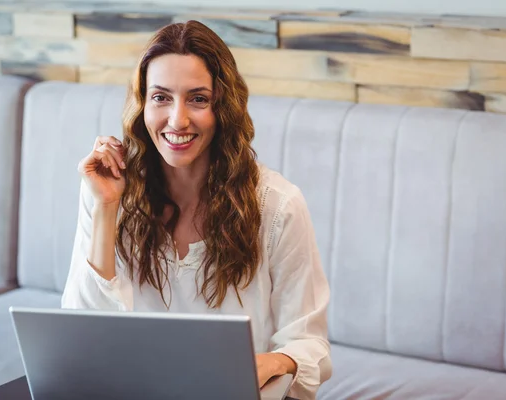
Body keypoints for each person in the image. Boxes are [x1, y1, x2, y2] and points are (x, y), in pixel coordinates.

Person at [62, 20, 331, 399]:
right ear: (141, 105)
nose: (177, 120)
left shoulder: (278, 205)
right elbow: (80, 338)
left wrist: (273, 361)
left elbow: (309, 345)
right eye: (161, 97)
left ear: (224, 106)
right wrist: (106, 208)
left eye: (198, 98)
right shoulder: (108, 191)